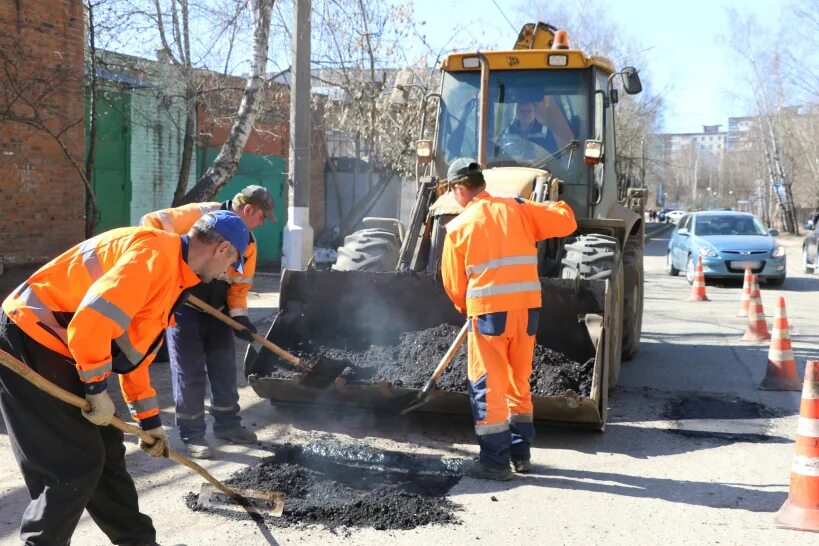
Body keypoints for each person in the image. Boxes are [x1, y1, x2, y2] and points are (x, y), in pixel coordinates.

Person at [0, 210, 249, 545]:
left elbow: (132, 356)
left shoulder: (174, 274)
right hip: (29, 335)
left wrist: (149, 422)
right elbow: (90, 323)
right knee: (73, 464)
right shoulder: (155, 255)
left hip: (59, 344)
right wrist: (96, 387)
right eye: (231, 264)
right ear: (222, 250)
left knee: (106, 453)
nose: (226, 274)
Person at [440, 158, 577, 481]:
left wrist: (466, 307)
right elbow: (566, 221)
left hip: (489, 315)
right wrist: (553, 199)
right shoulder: (518, 208)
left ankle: (494, 462)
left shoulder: (459, 227)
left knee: (488, 385)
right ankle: (521, 454)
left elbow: (453, 284)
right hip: (527, 312)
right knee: (518, 382)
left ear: (460, 187)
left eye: (450, 190)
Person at [140, 185, 277, 459]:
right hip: (183, 307)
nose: (261, 224)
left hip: (218, 309)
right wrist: (171, 268)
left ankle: (228, 426)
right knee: (189, 372)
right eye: (262, 217)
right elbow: (150, 224)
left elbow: (239, 286)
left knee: (224, 366)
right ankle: (193, 435)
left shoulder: (247, 243)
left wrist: (240, 318)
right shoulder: (202, 215)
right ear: (249, 210)